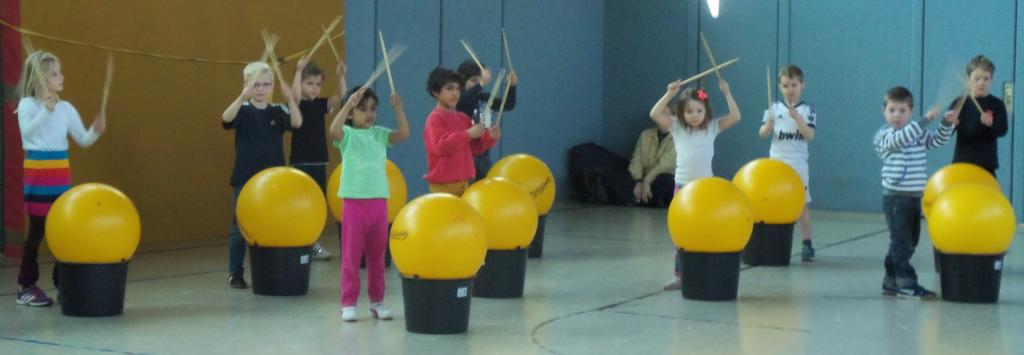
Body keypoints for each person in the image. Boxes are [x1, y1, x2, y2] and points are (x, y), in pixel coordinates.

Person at [15, 51, 107, 306]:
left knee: (61, 232)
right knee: (37, 232)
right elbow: (27, 133)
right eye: (55, 74)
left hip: (60, 177)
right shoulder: (27, 105)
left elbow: (83, 140)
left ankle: (62, 284)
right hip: (38, 177)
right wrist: (45, 110)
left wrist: (95, 131)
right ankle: (26, 286)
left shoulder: (66, 108)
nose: (61, 77)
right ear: (41, 79)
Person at [650, 78, 740, 291]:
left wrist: (727, 92)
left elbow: (736, 116)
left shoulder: (712, 127)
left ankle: (707, 273)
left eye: (699, 110)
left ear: (705, 111)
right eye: (689, 111)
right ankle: (679, 277)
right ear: (681, 113)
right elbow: (654, 113)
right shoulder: (676, 127)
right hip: (683, 189)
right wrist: (670, 94)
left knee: (707, 233)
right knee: (680, 235)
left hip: (705, 190)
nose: (694, 115)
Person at [329, 86, 409, 321]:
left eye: (373, 109)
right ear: (351, 114)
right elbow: (333, 130)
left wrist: (398, 109)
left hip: (379, 204)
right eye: (362, 109)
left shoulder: (380, 134)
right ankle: (348, 303)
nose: (369, 113)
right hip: (354, 204)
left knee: (377, 256)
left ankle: (377, 301)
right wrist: (348, 104)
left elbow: (404, 134)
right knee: (351, 256)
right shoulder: (347, 135)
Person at [220, 61, 302, 289]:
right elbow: (226, 118)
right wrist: (242, 96)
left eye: (266, 84)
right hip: (245, 178)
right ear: (246, 85)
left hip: (273, 182)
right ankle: (235, 273)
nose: (261, 89)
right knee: (239, 228)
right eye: (256, 85)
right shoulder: (243, 110)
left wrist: (290, 100)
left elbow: (297, 122)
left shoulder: (278, 111)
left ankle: (271, 270)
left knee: (273, 225)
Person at [873, 86, 956, 299]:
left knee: (907, 242)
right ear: (884, 111)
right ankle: (906, 284)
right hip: (895, 198)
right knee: (901, 242)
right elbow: (899, 139)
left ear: (911, 112)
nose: (897, 115)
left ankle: (891, 281)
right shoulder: (884, 135)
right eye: (892, 110)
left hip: (914, 197)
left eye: (902, 110)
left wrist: (946, 124)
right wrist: (925, 120)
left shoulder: (916, 132)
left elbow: (936, 141)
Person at [288, 58, 347, 261]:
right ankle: (300, 242)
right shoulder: (296, 104)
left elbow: (341, 98)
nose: (315, 88)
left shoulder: (320, 104)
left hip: (319, 161)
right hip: (301, 162)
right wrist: (298, 71)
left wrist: (341, 77)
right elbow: (295, 96)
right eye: (309, 83)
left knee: (317, 203)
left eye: (318, 84)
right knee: (301, 204)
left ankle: (312, 243)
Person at [758, 65, 817, 262]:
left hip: (798, 165)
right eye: (785, 86)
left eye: (794, 85)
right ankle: (773, 242)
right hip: (777, 165)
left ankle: (807, 243)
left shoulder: (808, 110)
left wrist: (797, 118)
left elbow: (809, 135)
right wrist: (768, 127)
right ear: (779, 87)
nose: (790, 89)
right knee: (774, 204)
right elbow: (762, 134)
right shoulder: (773, 109)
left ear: (802, 85)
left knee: (801, 206)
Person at [423, 67, 500, 196]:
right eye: (449, 88)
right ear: (435, 91)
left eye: (458, 89)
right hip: (443, 186)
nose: (455, 93)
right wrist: (468, 134)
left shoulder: (463, 118)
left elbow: (475, 148)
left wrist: (490, 137)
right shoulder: (434, 119)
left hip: (466, 183)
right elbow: (441, 146)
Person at [948, 55, 1008, 177]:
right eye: (977, 78)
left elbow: (1002, 130)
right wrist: (950, 124)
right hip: (962, 163)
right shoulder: (959, 103)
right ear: (968, 79)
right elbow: (945, 134)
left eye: (986, 78)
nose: (981, 83)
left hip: (987, 165)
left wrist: (991, 124)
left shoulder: (997, 104)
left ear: (992, 79)